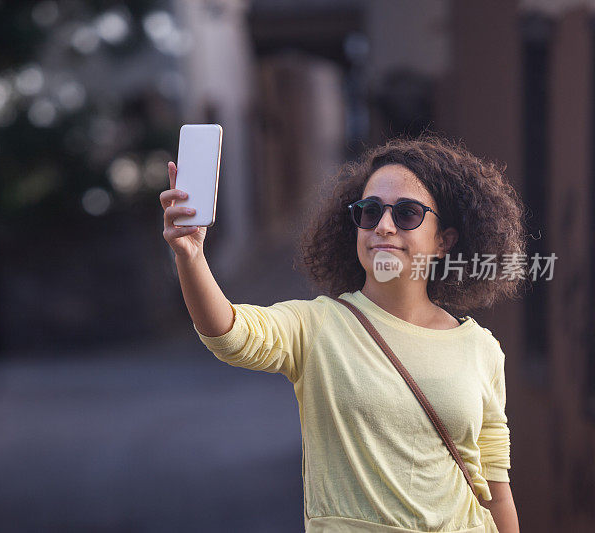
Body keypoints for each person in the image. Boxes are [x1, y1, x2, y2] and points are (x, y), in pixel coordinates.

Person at [160, 133, 525, 532]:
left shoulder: (481, 348)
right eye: (370, 212)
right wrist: (191, 256)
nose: (383, 226)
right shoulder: (317, 326)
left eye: (406, 214)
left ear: (443, 242)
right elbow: (227, 332)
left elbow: (495, 492)